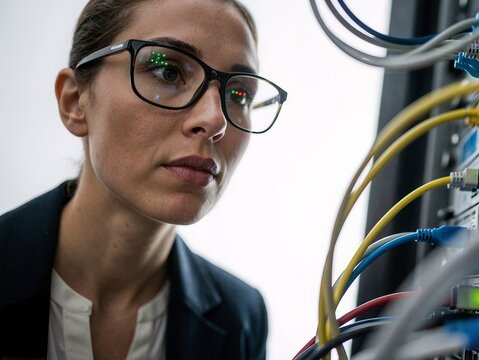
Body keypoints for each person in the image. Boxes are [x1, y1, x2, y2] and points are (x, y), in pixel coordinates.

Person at [0, 0, 287, 358]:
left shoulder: (241, 317)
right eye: (168, 72)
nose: (216, 120)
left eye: (238, 94)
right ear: (75, 102)